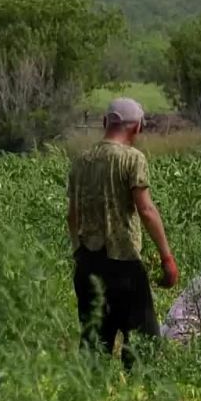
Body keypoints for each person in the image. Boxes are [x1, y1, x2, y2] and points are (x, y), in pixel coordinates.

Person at [67, 97, 180, 369]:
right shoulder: (132, 159)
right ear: (137, 128)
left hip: (88, 263)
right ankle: (137, 400)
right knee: (142, 344)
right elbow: (146, 210)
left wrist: (77, 252)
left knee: (94, 343)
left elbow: (72, 215)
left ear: (106, 122)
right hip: (124, 264)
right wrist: (167, 258)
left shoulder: (81, 161)